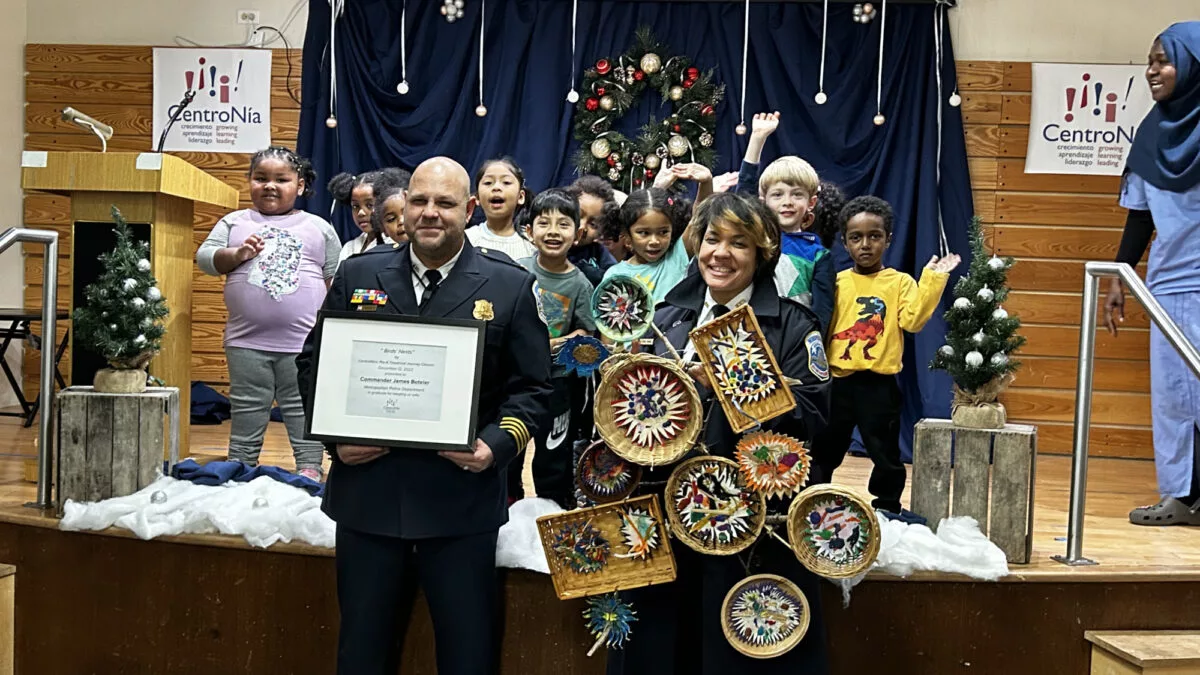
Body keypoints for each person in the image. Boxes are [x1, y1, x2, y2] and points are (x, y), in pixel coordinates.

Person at [296, 157, 553, 675]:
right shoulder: (357, 273)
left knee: (467, 655)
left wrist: (494, 446)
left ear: (469, 209)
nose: (430, 213)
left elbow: (534, 389)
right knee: (362, 654)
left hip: (459, 504)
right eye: (419, 201)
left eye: (445, 203)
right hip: (369, 496)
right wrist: (334, 441)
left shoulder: (508, 287)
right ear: (404, 206)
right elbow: (314, 363)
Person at [607, 192, 832, 675]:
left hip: (750, 531)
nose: (720, 254)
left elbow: (813, 421)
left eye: (739, 243)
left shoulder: (795, 326)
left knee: (734, 661)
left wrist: (731, 384)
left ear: (762, 253)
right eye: (712, 239)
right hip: (665, 521)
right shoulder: (665, 317)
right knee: (657, 652)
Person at [808, 196, 960, 517]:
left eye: (874, 236)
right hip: (837, 384)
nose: (866, 244)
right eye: (856, 237)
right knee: (824, 448)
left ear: (887, 239)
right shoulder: (836, 282)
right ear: (845, 243)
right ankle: (813, 501)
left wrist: (932, 280)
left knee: (885, 451)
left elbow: (913, 320)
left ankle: (887, 508)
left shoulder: (900, 282)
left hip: (879, 385)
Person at [195, 146, 338, 482]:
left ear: (300, 186)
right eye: (261, 178)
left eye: (281, 179)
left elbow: (335, 278)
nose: (270, 185)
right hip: (246, 340)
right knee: (247, 404)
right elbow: (205, 258)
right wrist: (237, 254)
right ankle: (241, 461)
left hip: (303, 342)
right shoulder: (235, 222)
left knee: (301, 406)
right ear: (249, 182)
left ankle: (309, 464)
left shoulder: (317, 226)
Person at [1105, 21, 1200, 526]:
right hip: (1168, 284)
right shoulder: (1152, 132)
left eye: (1163, 60)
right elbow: (1140, 214)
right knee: (1172, 397)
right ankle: (1182, 497)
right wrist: (1121, 275)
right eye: (1150, 61)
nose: (1153, 71)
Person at [515, 188, 597, 507]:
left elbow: (586, 332)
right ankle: (509, 507)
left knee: (554, 453)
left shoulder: (580, 284)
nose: (552, 231)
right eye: (544, 223)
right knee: (511, 446)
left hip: (559, 382)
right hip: (517, 379)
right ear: (529, 231)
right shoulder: (518, 271)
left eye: (563, 224)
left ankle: (558, 510)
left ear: (577, 234)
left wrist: (560, 342)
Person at [759, 156, 837, 338]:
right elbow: (742, 205)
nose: (787, 201)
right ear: (763, 202)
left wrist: (811, 350)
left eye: (797, 194)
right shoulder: (757, 241)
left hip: (795, 342)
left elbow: (822, 313)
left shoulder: (818, 255)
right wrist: (757, 139)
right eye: (777, 194)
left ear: (811, 202)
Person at [600, 186, 696, 304]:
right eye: (644, 233)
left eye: (663, 232)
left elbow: (697, 221)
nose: (654, 241)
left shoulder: (676, 258)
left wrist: (705, 182)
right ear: (627, 235)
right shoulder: (615, 275)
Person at [328, 168, 411, 264]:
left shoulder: (397, 242)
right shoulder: (349, 248)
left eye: (369, 205)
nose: (361, 212)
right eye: (355, 206)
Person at [466, 156, 538, 261]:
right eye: (488, 183)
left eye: (506, 182)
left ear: (521, 196)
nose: (496, 188)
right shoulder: (466, 239)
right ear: (477, 198)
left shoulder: (532, 242)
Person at [567, 175, 620, 285]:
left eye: (593, 224)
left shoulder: (599, 255)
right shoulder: (551, 245)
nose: (582, 227)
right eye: (578, 215)